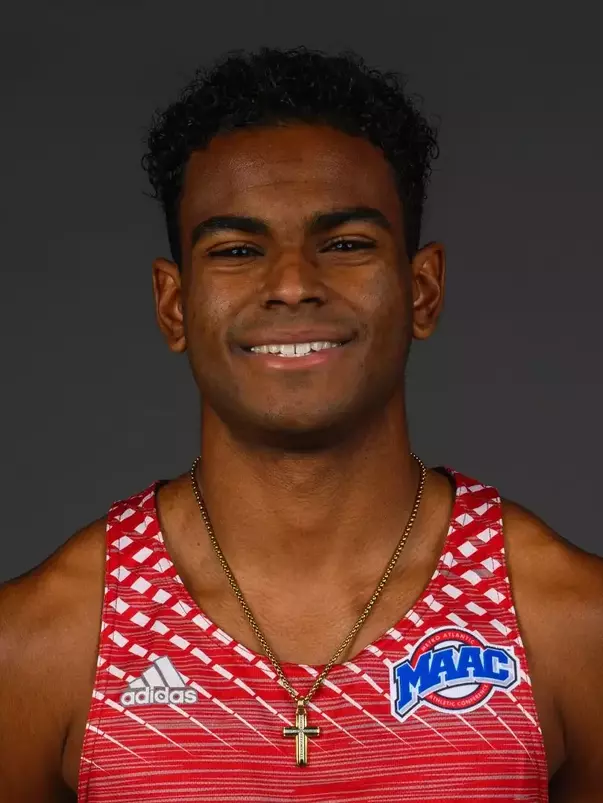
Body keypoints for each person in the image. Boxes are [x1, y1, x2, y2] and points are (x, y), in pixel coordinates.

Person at [0, 46, 601, 803]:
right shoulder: (41, 643)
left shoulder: (569, 624)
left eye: (345, 243)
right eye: (237, 249)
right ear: (173, 304)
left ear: (421, 289)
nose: (290, 284)